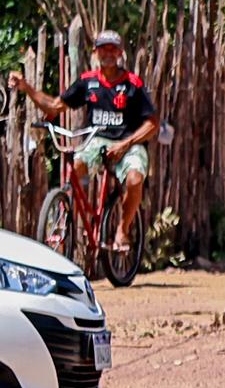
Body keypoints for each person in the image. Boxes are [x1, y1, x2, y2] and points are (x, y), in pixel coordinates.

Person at [19, 28, 158, 259]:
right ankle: (74, 213)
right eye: (103, 48)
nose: (108, 53)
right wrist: (27, 88)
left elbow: (153, 123)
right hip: (97, 139)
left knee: (134, 179)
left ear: (120, 53)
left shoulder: (132, 84)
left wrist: (126, 143)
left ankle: (122, 230)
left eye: (113, 48)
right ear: (96, 53)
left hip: (128, 141)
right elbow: (55, 106)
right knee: (78, 167)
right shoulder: (87, 82)